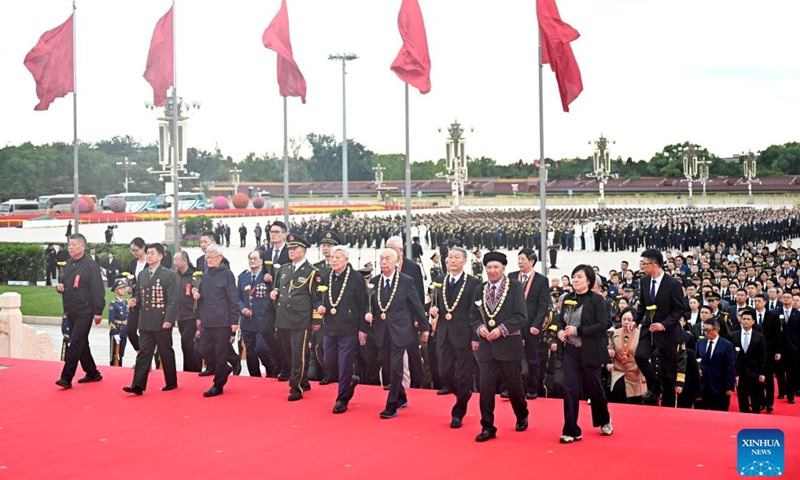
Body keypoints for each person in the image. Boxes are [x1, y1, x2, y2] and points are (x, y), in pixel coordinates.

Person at [468, 251, 529, 443]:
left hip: (509, 346)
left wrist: (501, 330)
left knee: (514, 386)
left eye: (496, 267)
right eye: (489, 267)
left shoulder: (515, 287)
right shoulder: (480, 289)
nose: (492, 271)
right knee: (485, 388)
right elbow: (473, 316)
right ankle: (487, 426)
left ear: (503, 268)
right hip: (487, 347)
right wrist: (480, 329)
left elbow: (521, 316)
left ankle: (521, 414)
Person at [364, 248, 428, 419]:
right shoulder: (375, 281)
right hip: (382, 331)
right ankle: (401, 396)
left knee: (396, 366)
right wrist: (369, 313)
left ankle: (391, 404)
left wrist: (424, 327)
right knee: (387, 364)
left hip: (401, 330)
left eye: (387, 259)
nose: (384, 262)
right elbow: (370, 304)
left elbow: (417, 304)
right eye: (381, 259)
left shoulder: (406, 281)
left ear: (396, 261)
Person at [556, 264, 613, 443]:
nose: (575, 280)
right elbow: (560, 321)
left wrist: (578, 330)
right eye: (573, 277)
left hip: (590, 351)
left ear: (588, 280)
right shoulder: (567, 299)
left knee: (594, 387)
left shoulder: (597, 300)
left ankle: (604, 420)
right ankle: (571, 429)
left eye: (579, 277)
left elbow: (602, 325)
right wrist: (559, 331)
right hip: (571, 351)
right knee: (570, 389)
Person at [429, 246, 481, 428]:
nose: (451, 260)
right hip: (444, 333)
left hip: (464, 334)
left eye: (456, 257)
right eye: (449, 257)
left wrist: (475, 337)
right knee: (444, 371)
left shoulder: (473, 283)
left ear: (464, 261)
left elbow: (476, 313)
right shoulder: (440, 280)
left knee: (464, 373)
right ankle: (463, 393)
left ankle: (458, 412)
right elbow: (434, 304)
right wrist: (433, 310)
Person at [268, 234, 322, 401]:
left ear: (303, 251)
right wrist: (274, 292)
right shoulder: (283, 269)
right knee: (289, 353)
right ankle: (303, 381)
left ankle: (296, 387)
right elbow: (279, 289)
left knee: (299, 353)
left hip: (300, 319)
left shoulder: (312, 272)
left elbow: (316, 298)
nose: (291, 251)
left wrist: (316, 320)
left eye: (295, 248)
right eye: (290, 248)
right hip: (283, 317)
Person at [317, 245, 368, 414]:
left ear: (346, 259)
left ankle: (342, 398)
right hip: (330, 327)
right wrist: (319, 307)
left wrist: (363, 328)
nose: (334, 260)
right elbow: (317, 297)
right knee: (330, 362)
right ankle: (349, 381)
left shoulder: (356, 278)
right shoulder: (325, 277)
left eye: (338, 257)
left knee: (345, 363)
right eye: (332, 257)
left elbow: (363, 304)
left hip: (349, 328)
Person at [122, 243, 178, 395]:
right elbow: (140, 295)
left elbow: (172, 300)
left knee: (165, 352)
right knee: (144, 353)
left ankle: (171, 381)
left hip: (161, 321)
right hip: (145, 320)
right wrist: (135, 301)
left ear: (160, 256)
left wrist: (169, 319)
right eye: (148, 253)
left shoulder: (169, 275)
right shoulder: (143, 274)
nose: (149, 256)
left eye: (152, 253)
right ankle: (137, 385)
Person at [633, 248, 686, 407]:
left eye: (645, 264)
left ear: (654, 265)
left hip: (667, 332)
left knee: (668, 373)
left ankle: (668, 407)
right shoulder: (644, 281)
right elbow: (642, 305)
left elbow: (679, 309)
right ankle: (655, 384)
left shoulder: (673, 283)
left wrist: (664, 324)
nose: (642, 267)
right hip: (648, 329)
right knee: (640, 356)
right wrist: (635, 321)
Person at [55, 233, 105, 389]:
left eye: (75, 244)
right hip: (71, 310)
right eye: (69, 244)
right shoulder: (69, 264)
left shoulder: (90, 265)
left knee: (75, 343)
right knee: (82, 343)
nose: (71, 247)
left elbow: (98, 290)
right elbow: (67, 285)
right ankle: (92, 373)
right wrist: (60, 288)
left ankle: (66, 377)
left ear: (83, 246)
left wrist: (98, 311)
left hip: (85, 310)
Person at [193, 244, 239, 397]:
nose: (209, 260)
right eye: (207, 257)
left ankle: (218, 384)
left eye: (212, 257)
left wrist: (234, 321)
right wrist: (198, 308)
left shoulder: (227, 274)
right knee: (203, 349)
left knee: (221, 354)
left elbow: (233, 299)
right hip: (207, 320)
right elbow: (203, 298)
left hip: (223, 321)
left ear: (220, 258)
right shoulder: (205, 275)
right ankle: (224, 368)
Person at [508, 248, 551, 399]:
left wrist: (537, 325)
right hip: (514, 325)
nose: (520, 262)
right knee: (511, 358)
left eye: (523, 259)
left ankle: (533, 388)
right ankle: (511, 387)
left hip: (531, 325)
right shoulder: (512, 277)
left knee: (532, 359)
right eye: (518, 259)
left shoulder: (541, 280)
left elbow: (543, 305)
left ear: (531, 261)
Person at [237, 250, 277, 377]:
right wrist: (242, 309)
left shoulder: (267, 277)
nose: (252, 261)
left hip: (262, 320)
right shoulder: (243, 278)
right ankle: (254, 377)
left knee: (261, 348)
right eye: (250, 258)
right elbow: (237, 298)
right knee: (250, 353)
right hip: (247, 322)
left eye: (255, 258)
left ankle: (272, 370)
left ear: (261, 261)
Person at [607, 309, 646, 403]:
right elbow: (610, 347)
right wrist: (609, 352)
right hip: (618, 371)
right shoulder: (616, 333)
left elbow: (644, 355)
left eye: (629, 319)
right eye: (624, 319)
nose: (626, 322)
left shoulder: (640, 335)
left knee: (635, 403)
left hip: (635, 373)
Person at [696, 318, 736, 411]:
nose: (706, 333)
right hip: (703, 385)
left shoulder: (727, 345)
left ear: (716, 329)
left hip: (719, 386)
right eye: (704, 330)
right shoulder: (700, 343)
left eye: (708, 330)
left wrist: (729, 386)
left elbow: (730, 366)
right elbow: (696, 359)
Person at [733, 309, 767, 413]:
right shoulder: (734, 335)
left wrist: (762, 373)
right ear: (740, 320)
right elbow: (731, 356)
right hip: (740, 372)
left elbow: (763, 355)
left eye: (748, 319)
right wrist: (735, 373)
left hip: (755, 371)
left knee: (755, 396)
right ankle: (744, 414)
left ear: (753, 321)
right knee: (742, 396)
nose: (746, 321)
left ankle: (756, 414)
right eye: (744, 319)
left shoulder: (759, 336)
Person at [174, 251, 202, 373]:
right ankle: (189, 370)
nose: (174, 262)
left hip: (192, 315)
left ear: (185, 261)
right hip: (180, 316)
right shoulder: (175, 276)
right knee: (187, 344)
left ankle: (194, 369)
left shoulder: (195, 275)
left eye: (176, 260)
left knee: (187, 342)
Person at [125, 237, 149, 352]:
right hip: (135, 301)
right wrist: (129, 287)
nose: (134, 253)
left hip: (147, 301)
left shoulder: (150, 263)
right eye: (132, 250)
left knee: (145, 332)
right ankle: (140, 354)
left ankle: (145, 360)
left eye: (136, 250)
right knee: (130, 330)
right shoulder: (132, 264)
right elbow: (131, 280)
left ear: (143, 248)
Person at [108, 279, 129, 367]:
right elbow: (111, 321)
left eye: (123, 288)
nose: (123, 290)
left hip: (124, 329)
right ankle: (113, 367)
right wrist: (115, 333)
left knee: (121, 353)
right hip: (117, 330)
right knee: (114, 354)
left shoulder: (126, 302)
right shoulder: (113, 304)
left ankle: (120, 367)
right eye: (120, 288)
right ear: (116, 291)